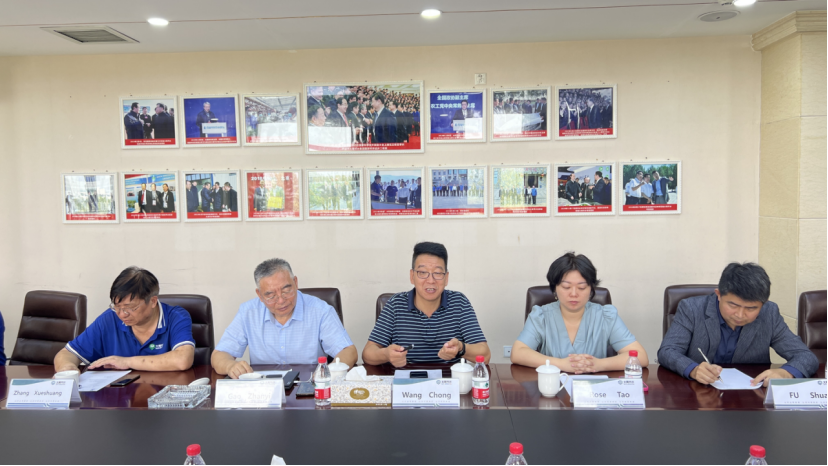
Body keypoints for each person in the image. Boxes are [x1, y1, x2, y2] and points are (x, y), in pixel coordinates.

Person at [658, 263, 819, 387]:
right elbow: (667, 351)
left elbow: (806, 356)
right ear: (718, 295)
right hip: (698, 395)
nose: (740, 315)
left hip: (751, 397)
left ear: (763, 303)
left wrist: (786, 373)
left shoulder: (769, 313)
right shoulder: (691, 309)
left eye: (751, 308)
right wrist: (693, 369)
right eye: (733, 305)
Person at [212, 259, 358, 378]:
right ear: (260, 295)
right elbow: (219, 355)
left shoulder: (320, 311)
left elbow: (348, 351)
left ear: (296, 283)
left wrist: (328, 373)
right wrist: (230, 366)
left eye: (286, 290)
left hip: (310, 386)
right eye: (271, 295)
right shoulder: (248, 313)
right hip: (264, 391)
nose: (281, 300)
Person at [511, 253, 649, 373]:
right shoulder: (541, 316)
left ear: (591, 289)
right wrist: (560, 364)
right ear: (554, 289)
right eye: (566, 287)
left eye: (581, 287)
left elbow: (641, 357)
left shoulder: (606, 316)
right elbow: (518, 352)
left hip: (595, 390)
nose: (574, 293)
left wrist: (598, 365)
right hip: (552, 388)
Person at [362, 242, 491, 367]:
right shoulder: (395, 304)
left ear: (446, 278)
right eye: (423, 272)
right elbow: (368, 354)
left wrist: (461, 348)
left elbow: (485, 355)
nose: (430, 280)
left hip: (448, 379)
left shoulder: (459, 302)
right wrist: (386, 354)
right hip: (405, 379)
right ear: (412, 276)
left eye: (437, 273)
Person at [54, 267, 195, 373]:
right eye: (117, 307)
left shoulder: (176, 317)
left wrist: (126, 362)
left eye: (130, 308)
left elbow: (183, 359)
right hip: (120, 399)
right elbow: (67, 353)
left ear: (152, 301)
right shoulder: (109, 319)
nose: (122, 314)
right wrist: (67, 368)